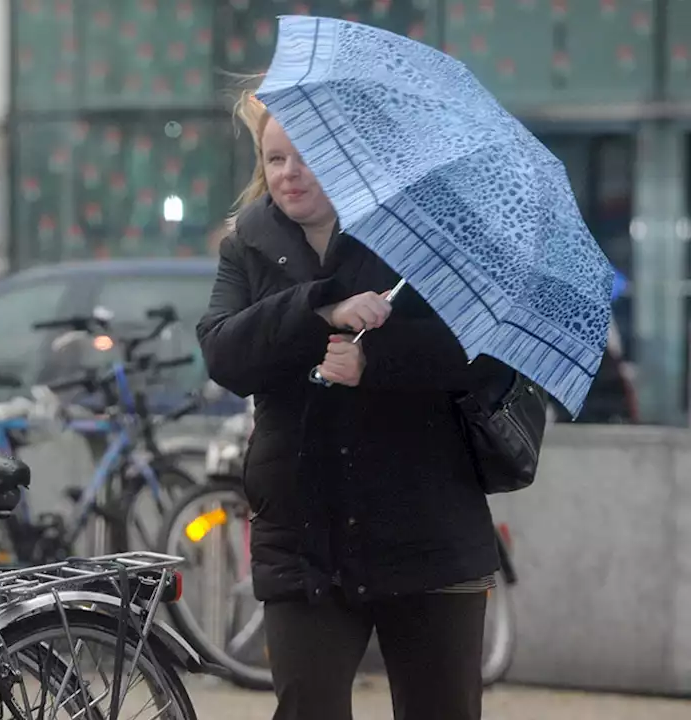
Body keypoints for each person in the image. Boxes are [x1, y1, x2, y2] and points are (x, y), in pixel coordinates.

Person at [197, 90, 505, 720]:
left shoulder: (423, 237)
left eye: (307, 156)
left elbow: (484, 356)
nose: (289, 173)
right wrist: (320, 312)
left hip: (426, 530)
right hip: (303, 535)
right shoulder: (247, 244)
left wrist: (375, 362)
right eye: (275, 157)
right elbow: (224, 354)